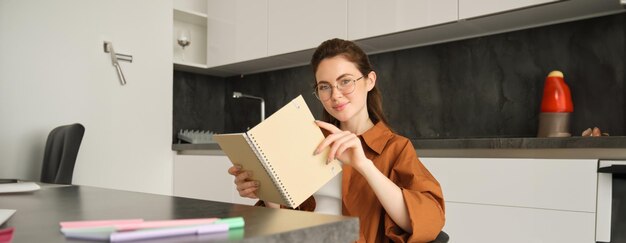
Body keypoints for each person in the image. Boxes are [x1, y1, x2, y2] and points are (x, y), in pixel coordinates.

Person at [228, 38, 445, 242]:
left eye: (345, 82)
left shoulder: (395, 147)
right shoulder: (309, 141)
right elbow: (285, 222)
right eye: (324, 86)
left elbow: (429, 221)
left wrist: (364, 166)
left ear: (369, 81)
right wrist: (267, 191)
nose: (335, 95)